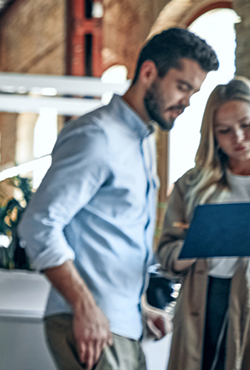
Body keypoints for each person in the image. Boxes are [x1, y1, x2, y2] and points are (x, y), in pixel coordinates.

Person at [19, 27, 219, 370]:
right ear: (148, 73)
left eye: (194, 92)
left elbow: (109, 236)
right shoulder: (97, 136)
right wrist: (86, 307)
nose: (187, 102)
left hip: (121, 323)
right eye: (183, 87)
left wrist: (136, 307)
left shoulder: (140, 141)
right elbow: (38, 225)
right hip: (94, 322)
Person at [157, 78, 250, 370]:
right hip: (204, 297)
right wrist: (199, 243)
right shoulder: (191, 184)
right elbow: (165, 255)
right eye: (224, 131)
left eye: (246, 125)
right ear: (212, 135)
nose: (238, 137)